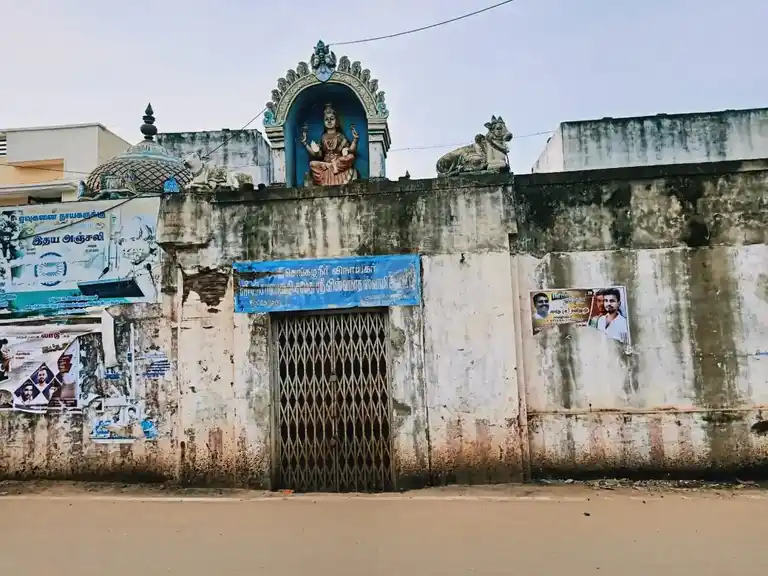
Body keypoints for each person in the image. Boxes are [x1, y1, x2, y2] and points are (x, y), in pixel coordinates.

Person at [301, 103, 359, 186]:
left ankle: (334, 165)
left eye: (331, 119)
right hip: (326, 164)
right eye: (326, 119)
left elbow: (350, 150)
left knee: (350, 157)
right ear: (324, 122)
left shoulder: (340, 136)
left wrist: (355, 140)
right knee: (312, 164)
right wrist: (305, 143)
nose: (329, 121)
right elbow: (317, 154)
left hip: (338, 162)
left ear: (336, 122)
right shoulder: (323, 137)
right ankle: (331, 165)